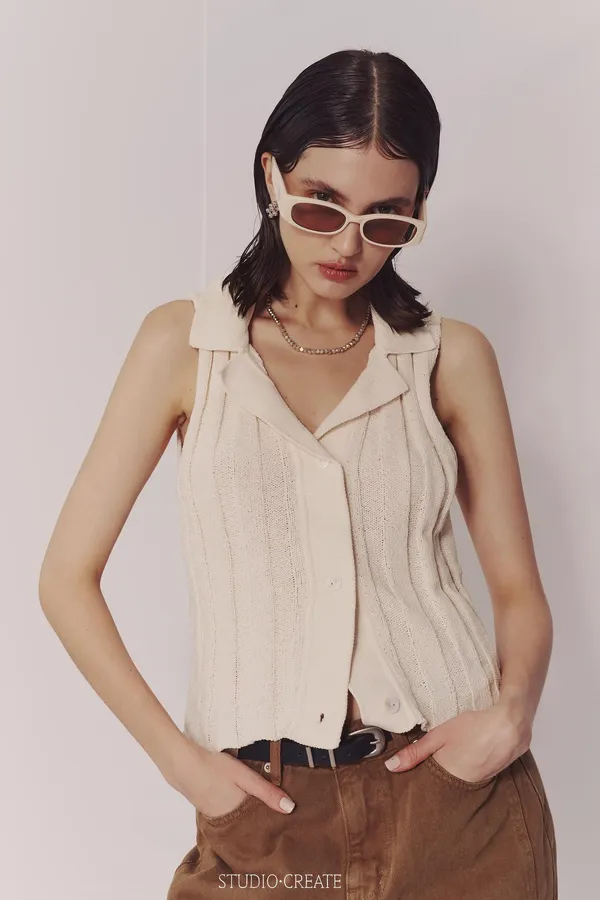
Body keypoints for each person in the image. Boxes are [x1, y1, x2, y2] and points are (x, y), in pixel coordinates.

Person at [38, 48, 558, 899]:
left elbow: (517, 591)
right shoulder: (187, 346)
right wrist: (182, 765)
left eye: (387, 220)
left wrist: (511, 716)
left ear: (418, 212)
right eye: (321, 205)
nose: (348, 245)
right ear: (271, 177)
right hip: (265, 815)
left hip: (458, 808)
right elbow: (65, 578)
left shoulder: (449, 359)